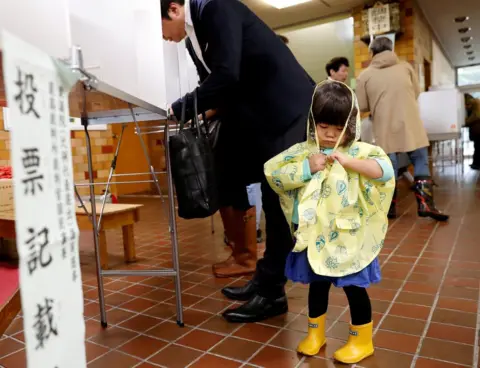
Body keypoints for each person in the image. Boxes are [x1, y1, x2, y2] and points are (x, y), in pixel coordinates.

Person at [162, 0, 315, 322]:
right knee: (230, 179)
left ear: (174, 9)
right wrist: (198, 105)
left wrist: (183, 105)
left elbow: (228, 74)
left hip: (285, 111)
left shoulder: (215, 7)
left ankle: (272, 292)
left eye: (158, 28)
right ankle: (262, 277)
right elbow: (220, 82)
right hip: (257, 116)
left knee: (277, 204)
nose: (162, 37)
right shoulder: (193, 34)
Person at [264, 80, 395, 364]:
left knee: (354, 288)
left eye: (340, 129)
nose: (331, 135)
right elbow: (273, 173)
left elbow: (384, 171)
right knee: (317, 285)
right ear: (313, 122)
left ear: (352, 125)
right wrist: (306, 168)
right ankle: (315, 334)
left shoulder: (360, 151)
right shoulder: (303, 151)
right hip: (315, 239)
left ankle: (362, 340)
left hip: (350, 241)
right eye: (325, 127)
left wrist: (350, 163)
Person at [185, 37, 257, 278]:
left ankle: (247, 257)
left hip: (239, 121)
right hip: (229, 120)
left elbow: (229, 83)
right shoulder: (195, 40)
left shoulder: (213, 33)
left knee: (235, 190)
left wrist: (206, 111)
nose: (165, 37)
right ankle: (239, 254)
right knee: (226, 190)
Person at [356, 37, 449, 221]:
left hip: (384, 126)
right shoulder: (406, 67)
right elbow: (416, 92)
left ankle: (389, 209)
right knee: (420, 159)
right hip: (410, 123)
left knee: (389, 167)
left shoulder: (364, 76)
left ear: (372, 52)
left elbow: (362, 105)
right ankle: (425, 204)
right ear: (391, 49)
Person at [465, 94, 480, 170]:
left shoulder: (475, 113)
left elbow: (468, 121)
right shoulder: (477, 110)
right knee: (477, 148)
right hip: (477, 133)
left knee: (477, 148)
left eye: (468, 105)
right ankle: (476, 163)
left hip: (477, 133)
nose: (466, 106)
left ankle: (476, 164)